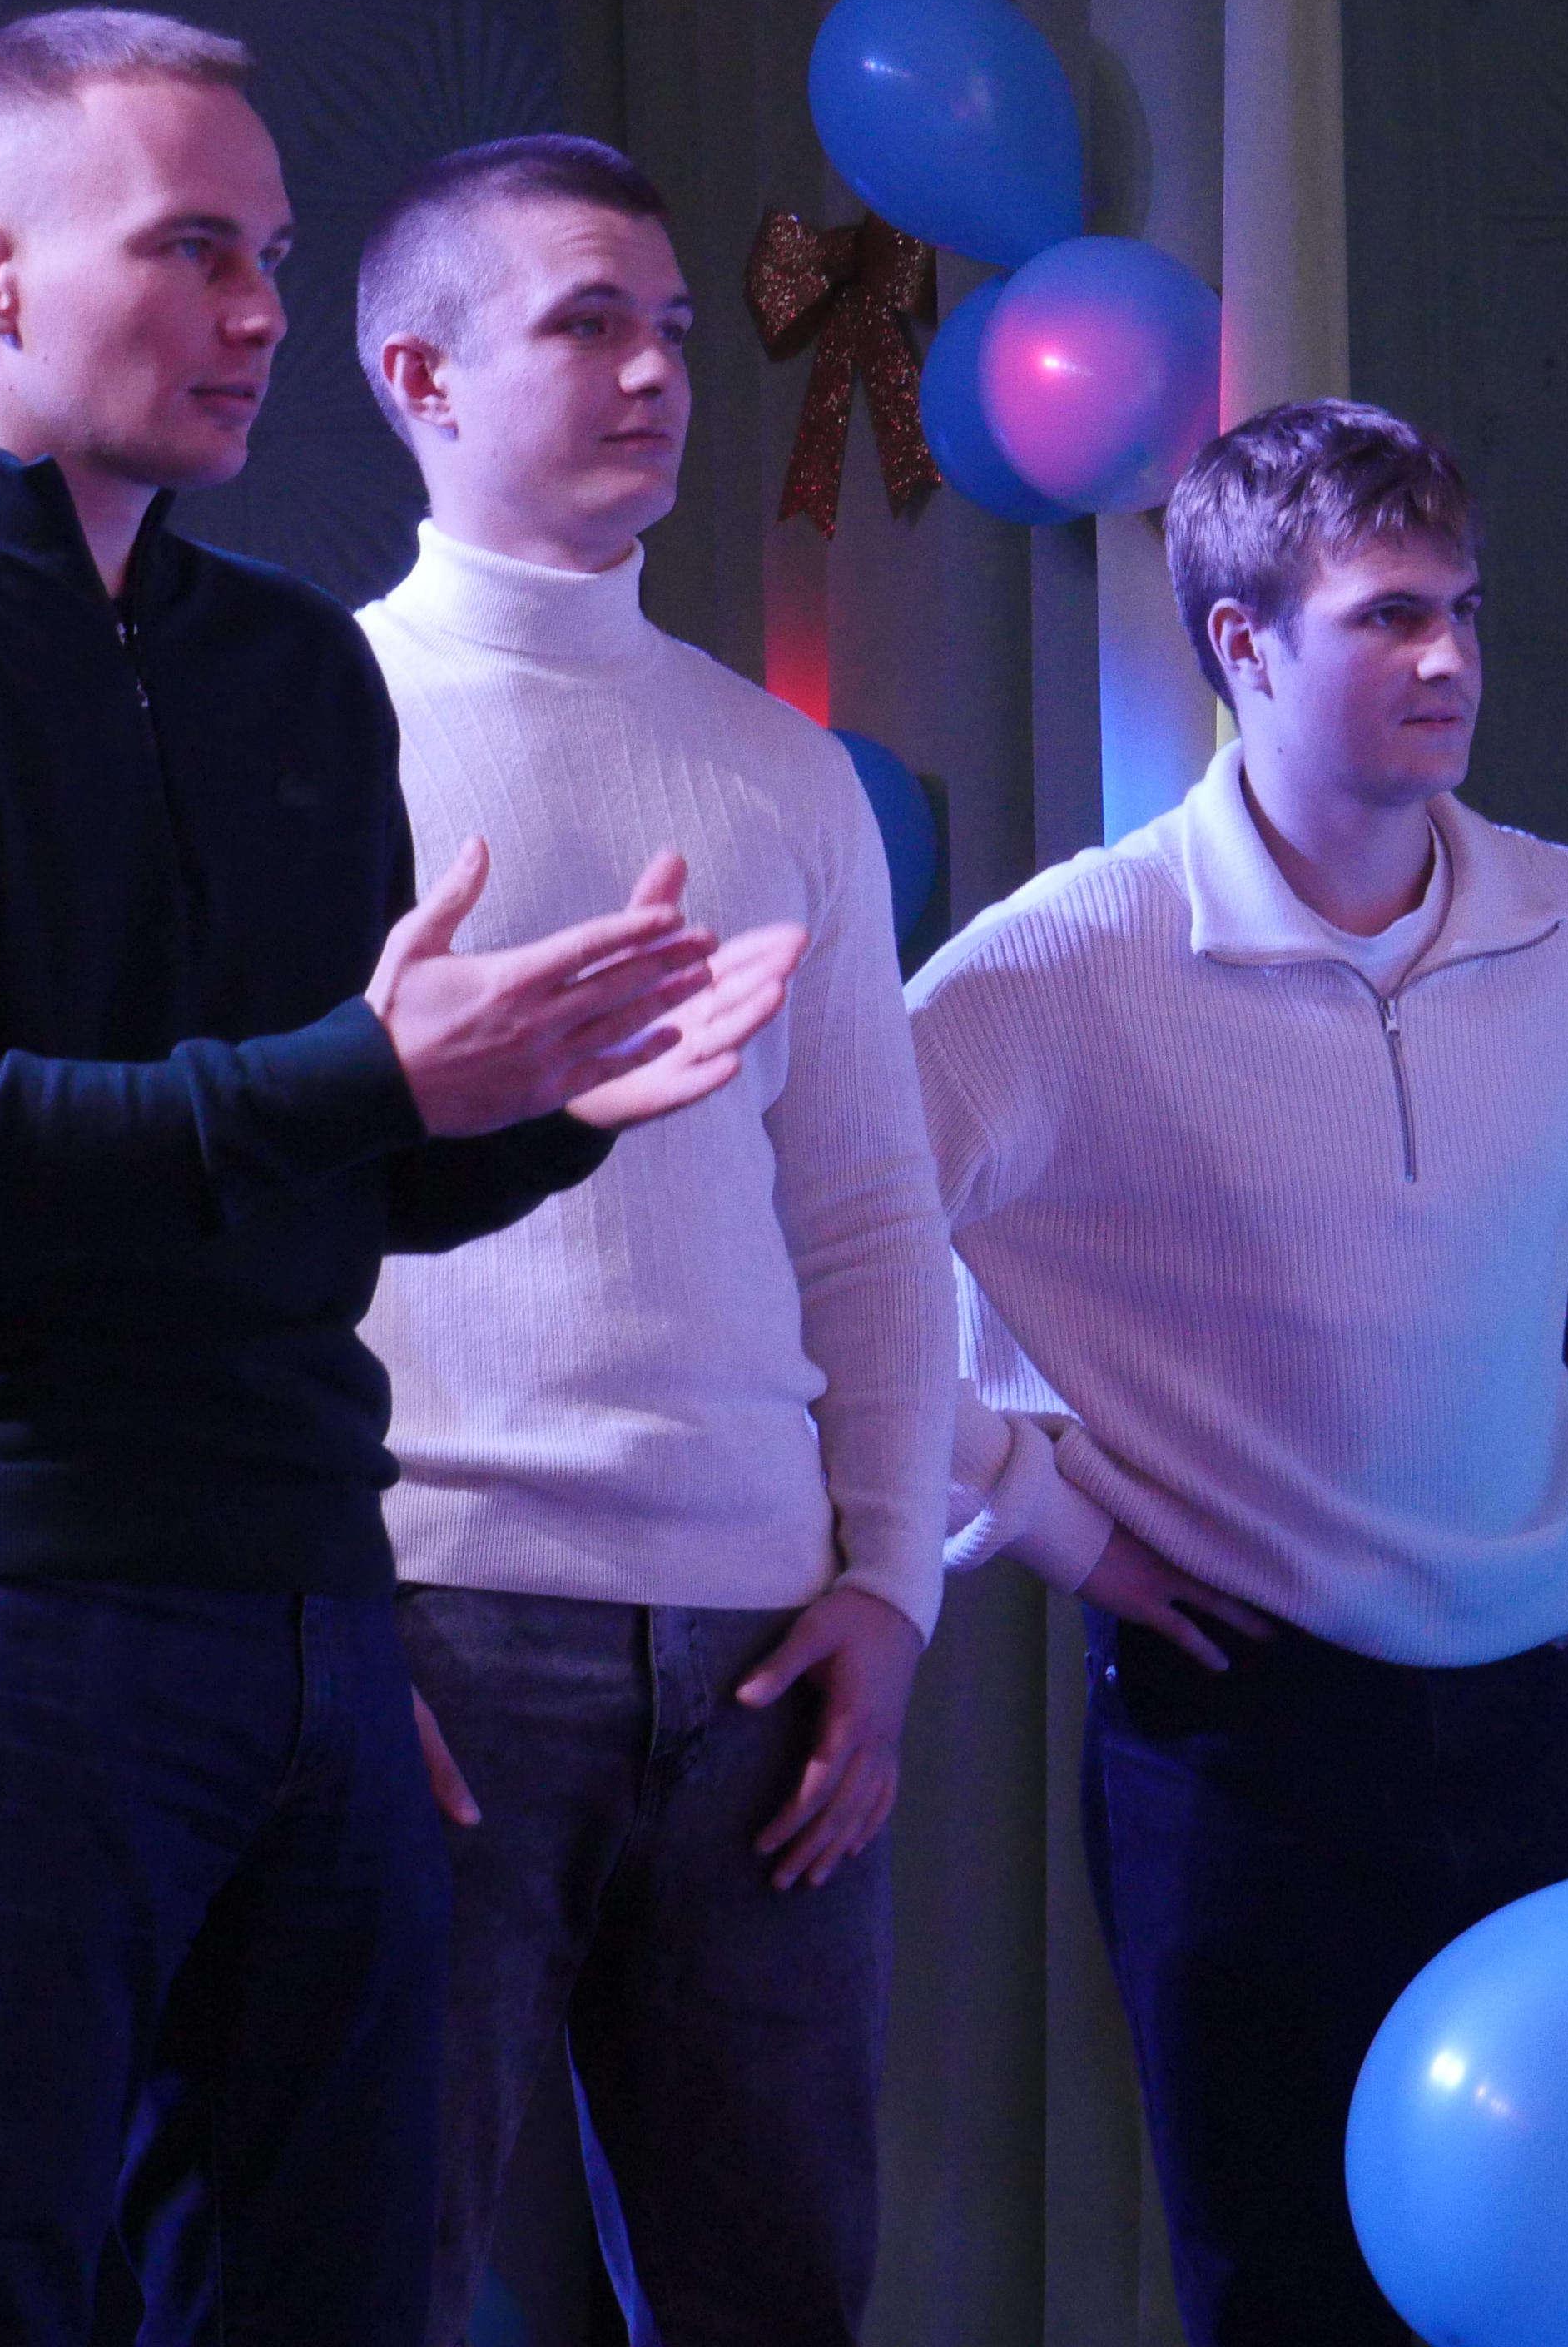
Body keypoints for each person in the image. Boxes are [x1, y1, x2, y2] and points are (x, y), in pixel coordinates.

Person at [0, 12, 801, 2347]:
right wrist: (370, 1071)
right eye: (194, 249)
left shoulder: (285, 661)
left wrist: (544, 1098)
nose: (263, 312)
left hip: (311, 1603)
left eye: (272, 256)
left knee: (323, 2302)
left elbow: (331, 1170)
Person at [922, 399, 1568, 2345]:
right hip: (1247, 1733)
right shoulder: (1068, 959)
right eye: (1389, 615)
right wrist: (1041, 1514)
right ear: (1242, 645)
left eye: (1464, 609)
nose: (1450, 657)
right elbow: (826, 1245)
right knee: (1289, 2290)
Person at [347, 135, 955, 2347]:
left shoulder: (778, 769)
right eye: (588, 323)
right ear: (421, 376)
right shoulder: (308, 729)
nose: (657, 372)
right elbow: (237, 1211)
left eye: (677, 329)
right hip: (432, 1621)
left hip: (762, 1640)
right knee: (376, 2278)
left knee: (772, 2294)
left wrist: (892, 1582)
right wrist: (322, 1614)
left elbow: (873, 1213)